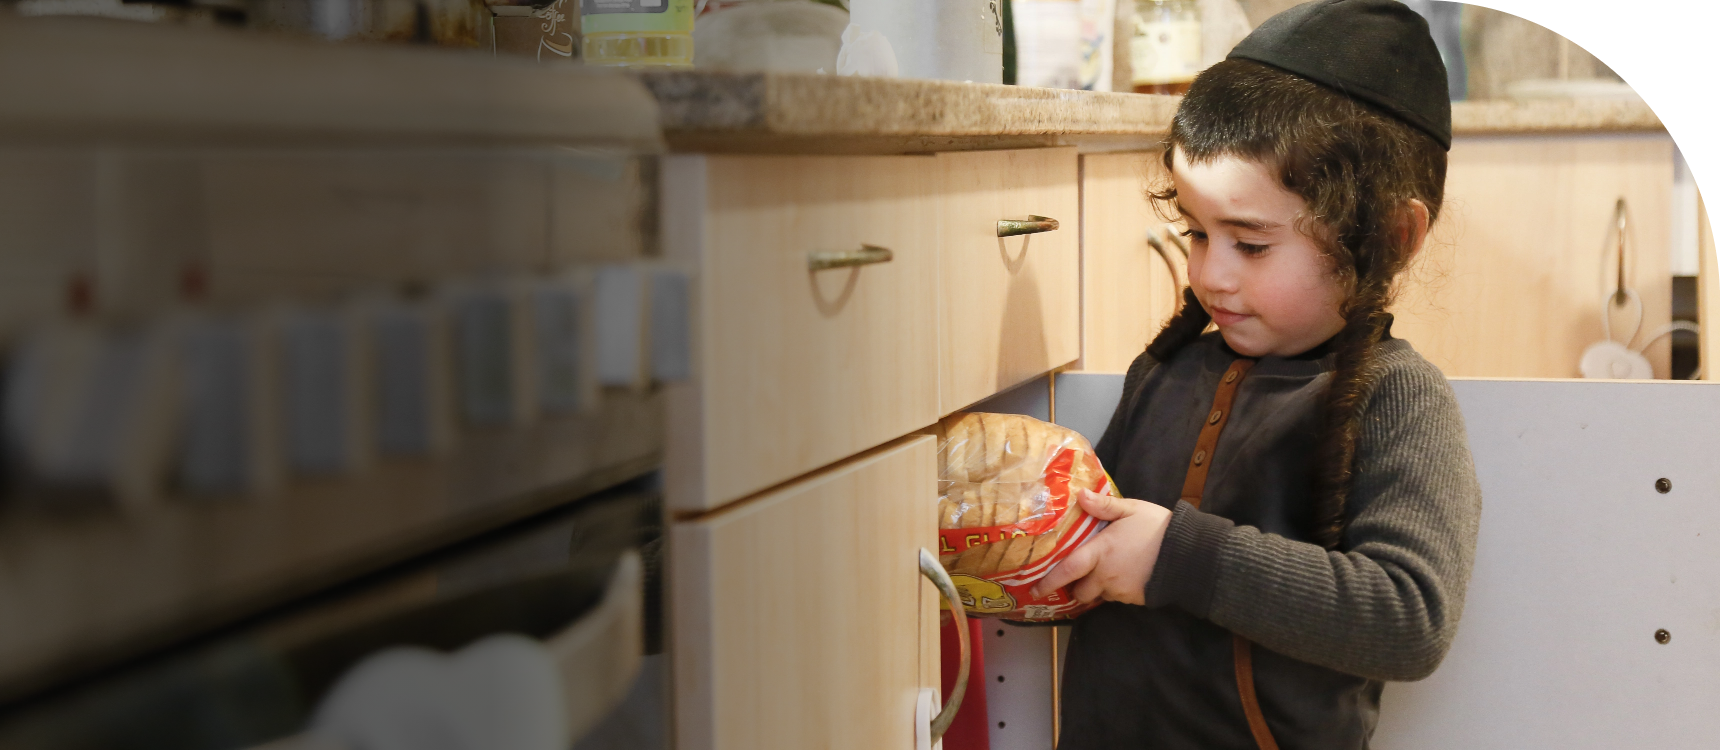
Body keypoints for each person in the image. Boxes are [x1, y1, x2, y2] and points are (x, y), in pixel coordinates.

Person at [1028, 1, 1483, 747]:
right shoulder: (1168, 369)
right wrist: (1038, 558)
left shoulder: (1395, 395)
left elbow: (1409, 619)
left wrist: (1176, 556)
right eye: (1196, 233)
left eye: (1252, 244)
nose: (1211, 274)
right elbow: (1094, 542)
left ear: (1390, 237)